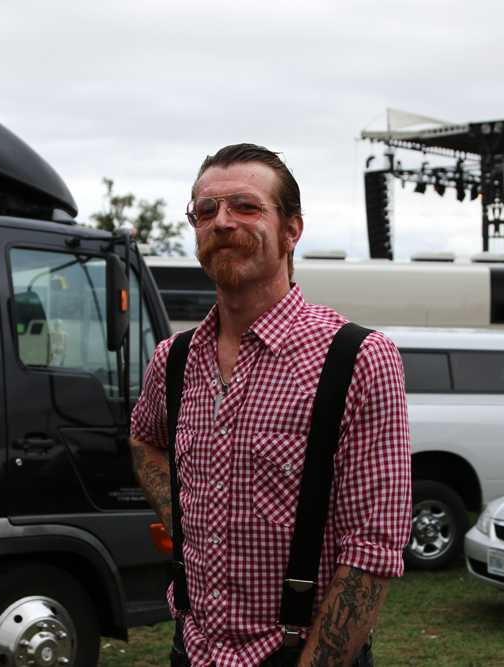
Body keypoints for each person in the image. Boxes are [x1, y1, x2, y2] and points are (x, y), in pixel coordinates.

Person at [129, 144, 411, 667]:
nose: (222, 222)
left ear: (291, 230)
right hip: (191, 650)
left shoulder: (359, 358)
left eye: (246, 207)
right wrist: (182, 517)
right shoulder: (172, 359)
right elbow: (144, 439)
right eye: (205, 210)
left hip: (296, 655)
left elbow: (371, 549)